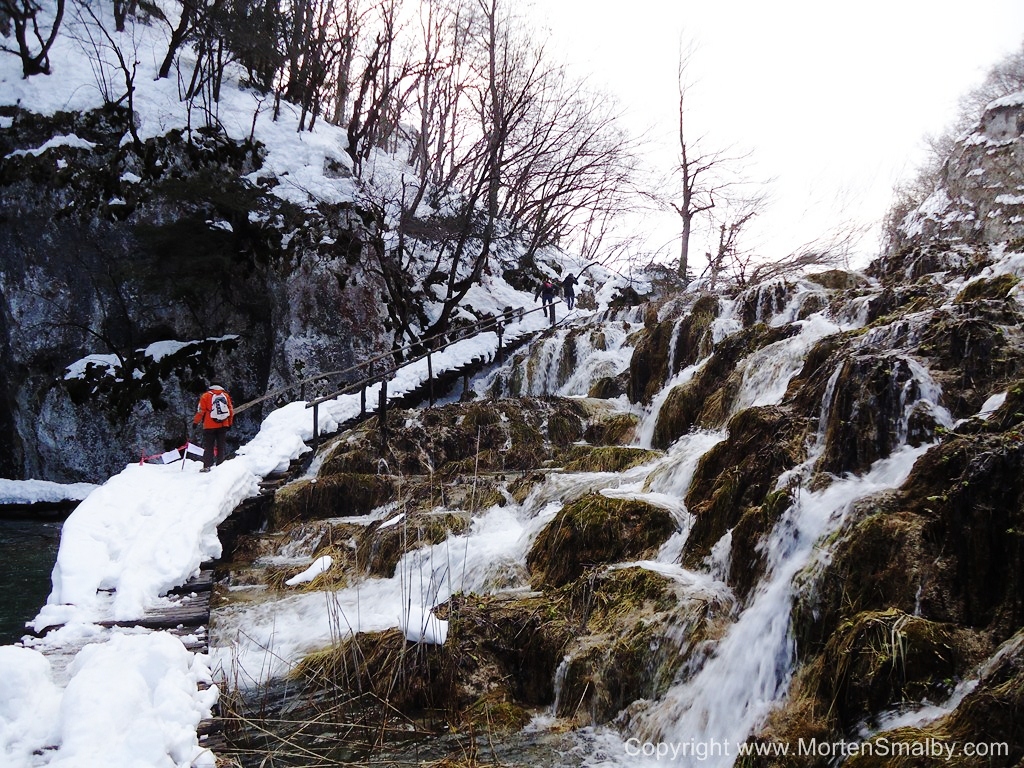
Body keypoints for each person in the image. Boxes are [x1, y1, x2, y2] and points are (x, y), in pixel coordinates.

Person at [193, 383, 234, 472]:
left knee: (209, 446)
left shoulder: (206, 396)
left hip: (209, 425)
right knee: (221, 446)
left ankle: (207, 466)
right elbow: (230, 410)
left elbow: (201, 411)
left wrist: (196, 422)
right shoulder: (225, 395)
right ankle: (220, 465)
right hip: (223, 424)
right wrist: (230, 423)